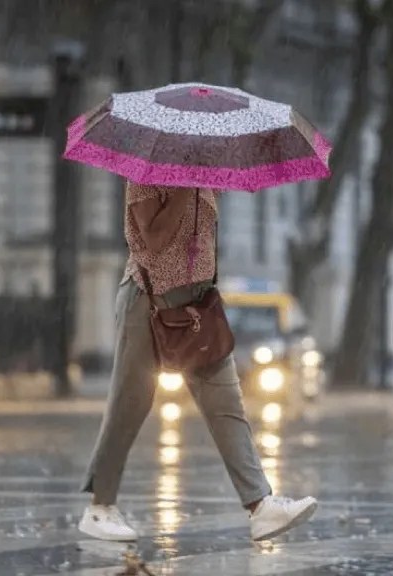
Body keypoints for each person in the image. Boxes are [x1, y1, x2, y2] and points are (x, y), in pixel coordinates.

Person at [79, 181, 317, 542]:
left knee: (227, 404)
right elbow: (154, 240)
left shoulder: (203, 174)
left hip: (195, 306)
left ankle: (260, 506)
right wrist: (184, 191)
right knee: (130, 403)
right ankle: (100, 507)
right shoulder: (148, 173)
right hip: (147, 303)